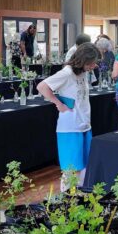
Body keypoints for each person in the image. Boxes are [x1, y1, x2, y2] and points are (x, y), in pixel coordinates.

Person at [37, 43, 100, 191]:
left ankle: (81, 197)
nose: (93, 66)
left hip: (84, 125)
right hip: (70, 127)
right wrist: (58, 103)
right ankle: (67, 200)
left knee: (85, 165)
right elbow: (42, 87)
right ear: (83, 61)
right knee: (71, 169)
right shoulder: (67, 73)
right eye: (91, 63)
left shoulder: (82, 73)